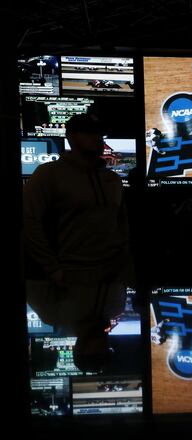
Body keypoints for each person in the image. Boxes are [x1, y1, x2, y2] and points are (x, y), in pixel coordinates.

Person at [24, 114, 132, 372]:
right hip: (69, 270)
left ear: (79, 347)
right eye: (89, 133)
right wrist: (52, 268)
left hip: (104, 270)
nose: (97, 139)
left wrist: (123, 266)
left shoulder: (112, 180)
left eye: (98, 133)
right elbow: (27, 221)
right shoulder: (48, 175)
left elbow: (122, 228)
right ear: (71, 137)